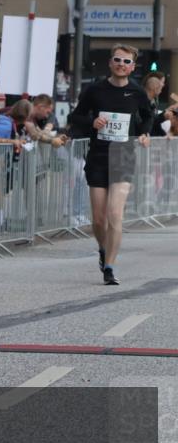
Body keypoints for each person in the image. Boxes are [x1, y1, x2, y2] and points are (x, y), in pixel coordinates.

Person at [67, 44, 153, 285]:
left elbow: (148, 116)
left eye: (127, 62)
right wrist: (92, 121)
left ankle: (110, 268)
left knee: (115, 214)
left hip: (123, 154)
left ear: (133, 67)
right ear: (110, 62)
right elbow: (76, 116)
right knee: (98, 219)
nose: (121, 65)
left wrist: (145, 134)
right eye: (118, 60)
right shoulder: (95, 90)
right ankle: (104, 250)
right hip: (98, 156)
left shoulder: (137, 93)